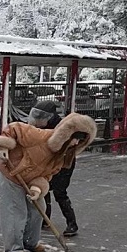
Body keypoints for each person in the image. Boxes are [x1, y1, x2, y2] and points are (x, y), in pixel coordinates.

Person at [0, 113, 96, 252]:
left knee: (40, 206)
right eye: (75, 137)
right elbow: (14, 128)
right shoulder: (40, 136)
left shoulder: (60, 157)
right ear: (66, 133)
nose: (76, 143)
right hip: (10, 175)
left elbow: (46, 175)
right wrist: (3, 146)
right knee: (16, 211)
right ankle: (13, 250)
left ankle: (30, 242)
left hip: (28, 180)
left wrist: (36, 189)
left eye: (80, 141)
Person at [27, 100, 80, 237]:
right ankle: (45, 219)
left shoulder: (63, 127)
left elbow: (79, 133)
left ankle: (72, 224)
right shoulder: (42, 128)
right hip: (48, 162)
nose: (37, 120)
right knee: (45, 189)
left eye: (41, 116)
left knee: (59, 192)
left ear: (50, 116)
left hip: (64, 164)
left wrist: (73, 141)